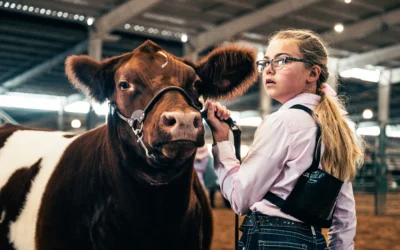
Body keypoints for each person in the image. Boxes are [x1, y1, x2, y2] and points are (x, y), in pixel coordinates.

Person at [204, 29, 364, 250]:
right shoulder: (338, 130)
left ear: (313, 73)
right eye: (266, 62)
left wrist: (222, 143)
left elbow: (240, 198)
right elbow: (344, 214)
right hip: (313, 240)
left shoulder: (283, 122)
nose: (269, 69)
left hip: (269, 239)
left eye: (282, 60)